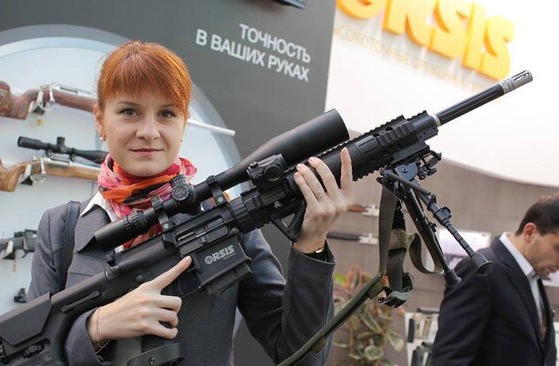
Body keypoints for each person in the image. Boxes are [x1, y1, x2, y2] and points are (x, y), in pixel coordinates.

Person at [27, 40, 355, 366]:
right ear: (99, 119)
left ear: (183, 123)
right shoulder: (63, 228)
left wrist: (312, 242)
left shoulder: (226, 218)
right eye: (129, 111)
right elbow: (28, 357)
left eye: (167, 113)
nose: (149, 131)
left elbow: (301, 355)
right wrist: (96, 328)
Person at [432, 194, 559, 366]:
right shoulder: (481, 271)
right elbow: (449, 359)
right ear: (530, 233)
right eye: (557, 248)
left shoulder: (532, 275)